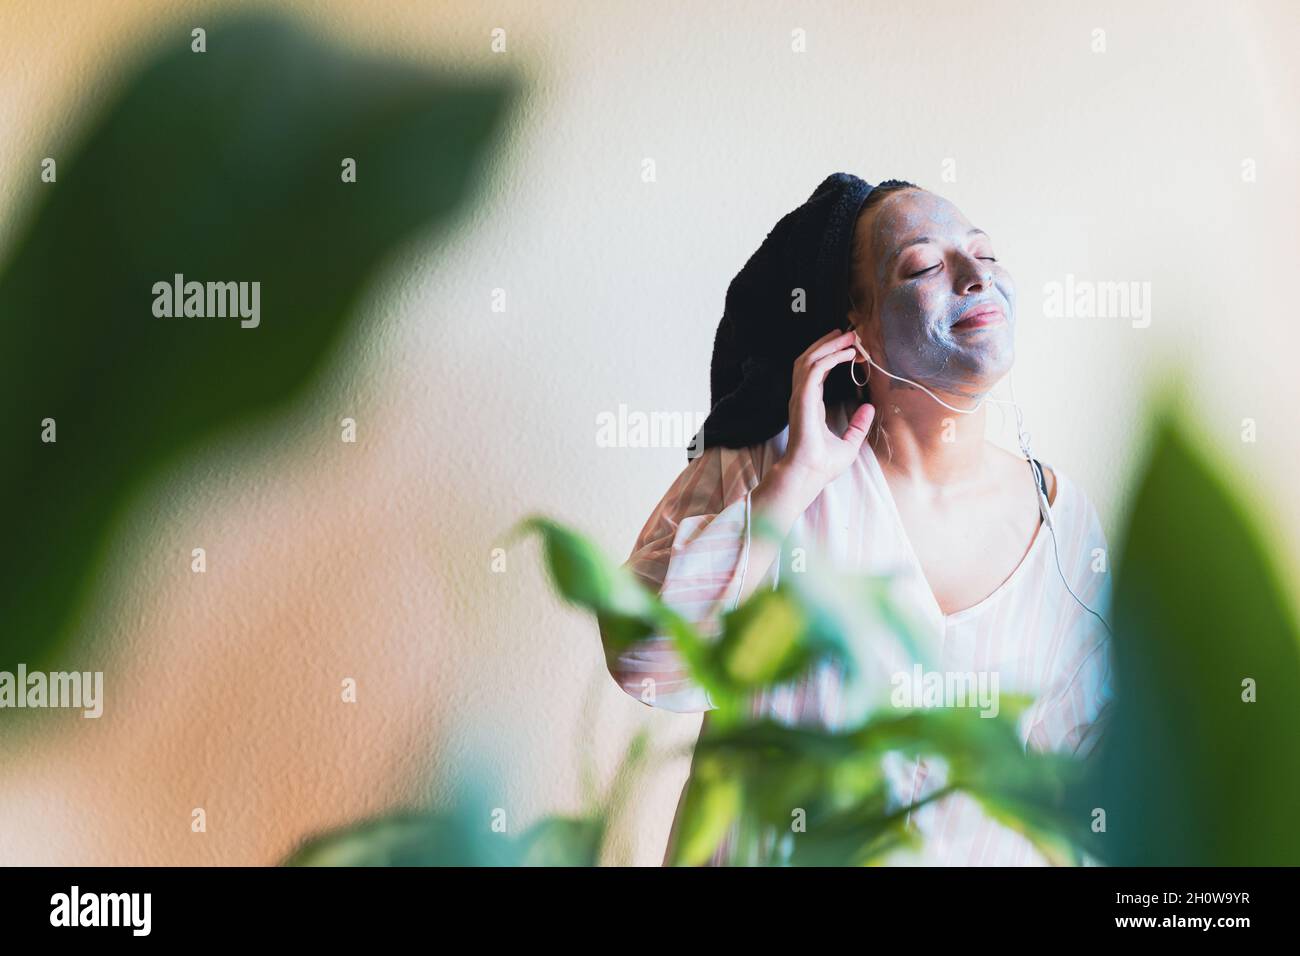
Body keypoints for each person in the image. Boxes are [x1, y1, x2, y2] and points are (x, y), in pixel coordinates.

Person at [602, 175, 1114, 866]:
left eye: (986, 255)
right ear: (857, 330)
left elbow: (1089, 788)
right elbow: (647, 663)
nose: (973, 277)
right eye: (925, 266)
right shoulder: (771, 466)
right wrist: (792, 484)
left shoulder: (1066, 528)